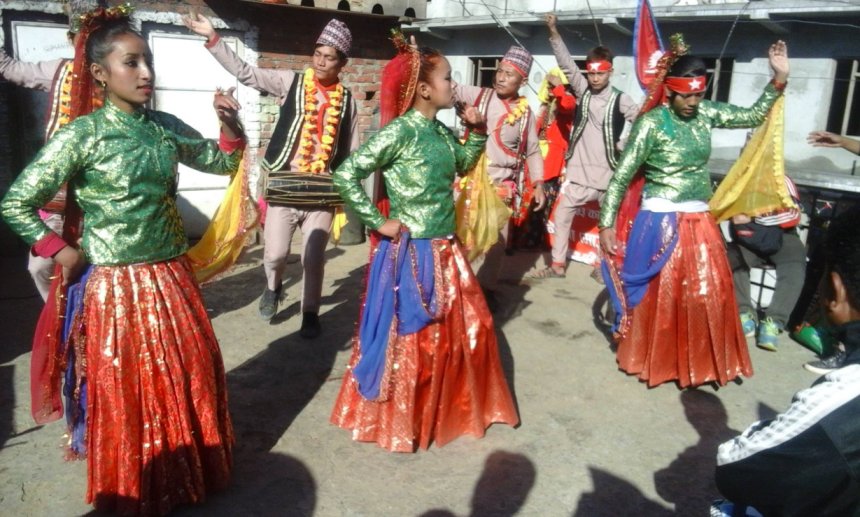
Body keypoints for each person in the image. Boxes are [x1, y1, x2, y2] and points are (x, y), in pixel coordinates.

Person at [1, 14, 240, 514]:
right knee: (131, 390)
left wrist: (228, 123)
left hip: (171, 277)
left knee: (192, 372)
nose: (146, 72)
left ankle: (186, 472)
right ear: (100, 74)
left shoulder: (163, 127)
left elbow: (221, 163)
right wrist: (58, 249)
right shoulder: (83, 135)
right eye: (131, 63)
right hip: (116, 286)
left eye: (147, 61)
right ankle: (137, 483)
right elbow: (16, 202)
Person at [329, 38, 519, 452]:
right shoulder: (400, 131)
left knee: (467, 331)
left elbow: (463, 164)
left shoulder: (440, 131)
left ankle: (447, 411)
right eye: (448, 78)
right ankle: (404, 420)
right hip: (411, 253)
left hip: (447, 250)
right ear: (424, 90)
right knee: (412, 340)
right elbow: (346, 173)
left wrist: (477, 131)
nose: (454, 84)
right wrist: (378, 221)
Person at [598, 36, 789, 389]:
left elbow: (752, 115)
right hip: (660, 222)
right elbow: (622, 175)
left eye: (698, 95)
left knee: (705, 293)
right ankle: (657, 360)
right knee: (663, 296)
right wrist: (606, 222)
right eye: (685, 96)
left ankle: (699, 361)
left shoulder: (706, 113)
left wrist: (778, 77)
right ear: (670, 91)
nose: (692, 103)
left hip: (700, 221)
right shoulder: (651, 124)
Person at [184, 14, 359, 337]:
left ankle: (310, 312)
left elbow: (353, 150)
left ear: (342, 63)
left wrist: (350, 188)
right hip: (284, 187)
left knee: (313, 258)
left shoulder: (347, 101)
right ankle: (273, 287)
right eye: (317, 54)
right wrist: (213, 38)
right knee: (276, 254)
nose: (321, 62)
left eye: (329, 57)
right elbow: (246, 73)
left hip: (321, 192)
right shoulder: (290, 82)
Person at [714, 205, 860, 515]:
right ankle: (747, 314)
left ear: (835, 292)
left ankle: (773, 320)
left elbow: (734, 467)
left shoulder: (841, 396)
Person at [0, 0, 105, 301]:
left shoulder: (120, 75)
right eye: (83, 37)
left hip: (104, 192)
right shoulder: (59, 70)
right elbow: (11, 69)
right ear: (72, 40)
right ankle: (57, 316)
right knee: (41, 266)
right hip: (61, 193)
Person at [534, 13, 638, 281]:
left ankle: (604, 267)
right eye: (591, 73)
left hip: (608, 176)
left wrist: (623, 144)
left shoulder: (621, 99)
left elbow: (641, 123)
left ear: (610, 72)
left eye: (600, 73)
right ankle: (558, 265)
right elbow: (567, 64)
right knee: (562, 216)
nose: (594, 78)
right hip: (579, 176)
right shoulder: (583, 92)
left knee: (610, 225)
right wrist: (553, 31)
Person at [452, 46, 546, 301]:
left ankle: (487, 290)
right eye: (500, 71)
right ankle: (457, 289)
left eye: (509, 74)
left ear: (522, 81)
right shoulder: (480, 95)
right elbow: (450, 86)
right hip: (470, 181)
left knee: (497, 243)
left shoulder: (525, 114)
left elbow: (533, 150)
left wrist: (539, 183)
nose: (501, 78)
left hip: (501, 185)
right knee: (463, 238)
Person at [727, 175, 806, 351]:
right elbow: (723, 207)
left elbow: (793, 214)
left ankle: (774, 321)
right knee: (730, 258)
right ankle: (744, 313)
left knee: (795, 266)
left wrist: (753, 217)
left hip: (783, 236)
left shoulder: (781, 179)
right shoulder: (739, 178)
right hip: (748, 239)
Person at [522, 67, 575, 249]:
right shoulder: (544, 107)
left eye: (555, 86)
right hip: (536, 161)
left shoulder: (567, 104)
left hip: (552, 165)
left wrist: (559, 87)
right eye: (549, 86)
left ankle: (535, 242)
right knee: (529, 202)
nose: (551, 89)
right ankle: (525, 239)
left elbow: (567, 105)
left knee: (542, 206)